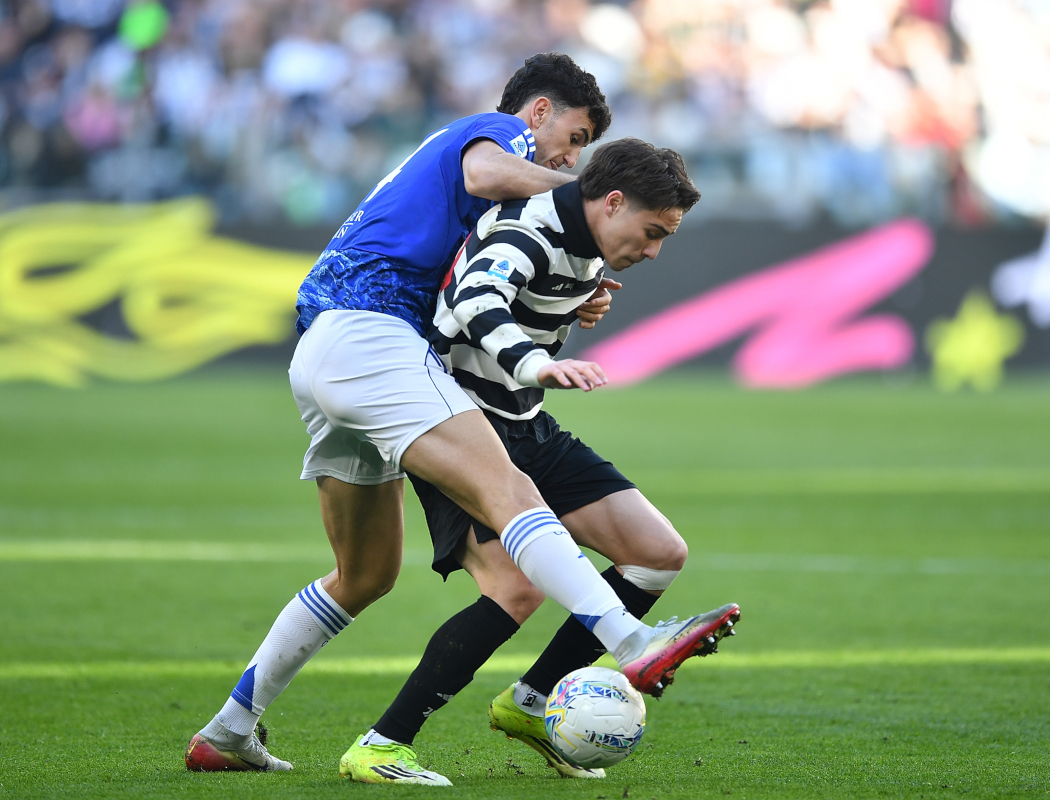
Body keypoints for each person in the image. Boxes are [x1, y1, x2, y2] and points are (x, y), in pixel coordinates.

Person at [185, 54, 737, 774]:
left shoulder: (499, 208)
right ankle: (633, 643)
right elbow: (486, 182)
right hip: (371, 334)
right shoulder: (493, 135)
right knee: (513, 496)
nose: (571, 154)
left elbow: (491, 261)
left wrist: (577, 286)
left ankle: (228, 730)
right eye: (573, 135)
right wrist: (585, 189)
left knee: (363, 575)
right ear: (537, 112)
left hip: (328, 352)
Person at [337, 138, 739, 787]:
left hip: (525, 423)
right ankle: (381, 744)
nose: (656, 249)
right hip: (458, 427)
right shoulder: (535, 223)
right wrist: (535, 362)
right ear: (612, 202)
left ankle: (530, 704)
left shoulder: (587, 243)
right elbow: (474, 297)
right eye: (653, 230)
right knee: (514, 588)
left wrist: (573, 308)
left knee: (656, 552)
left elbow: (521, 297)